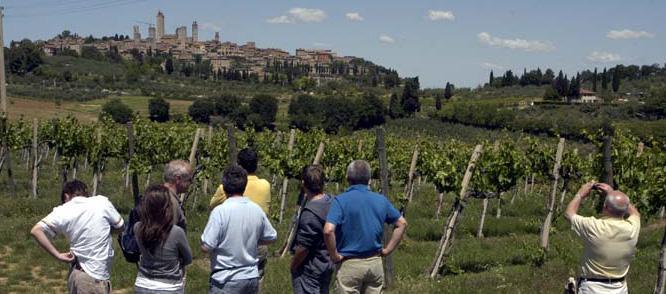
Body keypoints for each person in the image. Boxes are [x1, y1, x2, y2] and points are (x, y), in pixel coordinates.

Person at [323, 160, 408, 294]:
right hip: (374, 264)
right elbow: (401, 223)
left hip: (349, 264)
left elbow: (328, 230)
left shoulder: (340, 201)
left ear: (347, 178)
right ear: (369, 179)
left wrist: (334, 255)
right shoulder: (380, 200)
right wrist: (387, 250)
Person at [30, 180, 124, 294]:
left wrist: (58, 255)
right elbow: (120, 226)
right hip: (95, 277)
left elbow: (36, 230)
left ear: (66, 196)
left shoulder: (63, 210)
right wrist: (104, 230)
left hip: (77, 273)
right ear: (86, 193)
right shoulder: (101, 202)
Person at [201, 164, 278, 294]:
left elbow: (206, 246)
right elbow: (272, 237)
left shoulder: (220, 211)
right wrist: (253, 239)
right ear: (244, 186)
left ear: (224, 188)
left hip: (225, 278)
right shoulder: (256, 210)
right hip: (250, 277)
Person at [564, 182, 641, 294]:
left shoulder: (594, 227)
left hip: (592, 288)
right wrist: (612, 193)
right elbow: (635, 213)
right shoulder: (632, 228)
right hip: (620, 288)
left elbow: (569, 213)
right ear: (624, 211)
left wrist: (580, 194)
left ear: (605, 207)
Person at [209, 147, 271, 281]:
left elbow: (212, 206)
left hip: (232, 243)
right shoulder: (265, 185)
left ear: (238, 165)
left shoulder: (225, 188)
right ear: (257, 164)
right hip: (257, 240)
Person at [134, 185, 193, 294]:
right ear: (167, 207)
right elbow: (188, 258)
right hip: (169, 287)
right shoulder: (176, 232)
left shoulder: (137, 228)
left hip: (143, 284)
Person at [290, 165, 334, 294]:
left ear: (303, 183)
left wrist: (293, 265)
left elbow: (304, 248)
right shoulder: (331, 202)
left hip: (310, 268)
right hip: (327, 263)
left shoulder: (310, 213)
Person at [163, 159, 193, 231]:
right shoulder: (171, 202)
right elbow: (169, 234)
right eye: (189, 179)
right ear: (178, 179)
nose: (191, 183)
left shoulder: (158, 194)